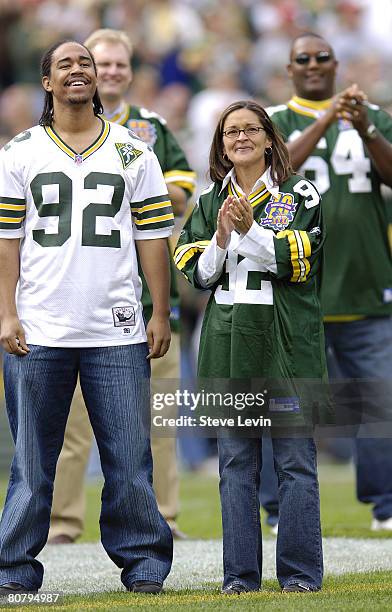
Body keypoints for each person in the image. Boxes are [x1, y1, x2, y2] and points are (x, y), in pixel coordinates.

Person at [0, 39, 174, 596]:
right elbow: (6, 241)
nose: (78, 70)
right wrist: (6, 313)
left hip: (116, 328)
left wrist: (161, 311)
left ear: (98, 79)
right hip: (39, 326)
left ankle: (144, 566)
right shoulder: (20, 151)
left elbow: (151, 236)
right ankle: (14, 570)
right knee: (32, 463)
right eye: (65, 64)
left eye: (87, 64)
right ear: (46, 82)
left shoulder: (133, 151)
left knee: (129, 459)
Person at [48, 29, 196, 545]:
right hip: (71, 304)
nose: (108, 72)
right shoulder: (52, 131)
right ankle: (62, 521)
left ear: (131, 70)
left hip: (149, 300)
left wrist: (145, 191)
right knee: (70, 429)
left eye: (117, 65)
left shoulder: (150, 128)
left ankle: (165, 515)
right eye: (100, 62)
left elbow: (179, 196)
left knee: (158, 420)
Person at [175, 100, 325, 593]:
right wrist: (221, 236)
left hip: (285, 346)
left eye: (249, 129)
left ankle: (300, 576)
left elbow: (297, 260)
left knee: (294, 463)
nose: (239, 138)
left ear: (268, 138)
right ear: (220, 144)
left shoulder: (300, 195)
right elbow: (197, 273)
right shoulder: (206, 203)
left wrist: (250, 231)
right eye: (229, 132)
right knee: (236, 466)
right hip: (227, 344)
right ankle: (239, 578)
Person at [268, 32, 392, 530]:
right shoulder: (274, 120)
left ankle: (385, 503)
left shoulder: (372, 115)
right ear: (289, 68)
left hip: (366, 286)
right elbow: (274, 172)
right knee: (288, 406)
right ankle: (281, 507)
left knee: (381, 400)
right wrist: (329, 117)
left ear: (336, 64)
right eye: (304, 58)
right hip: (298, 292)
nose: (314, 64)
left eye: (322, 58)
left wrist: (366, 130)